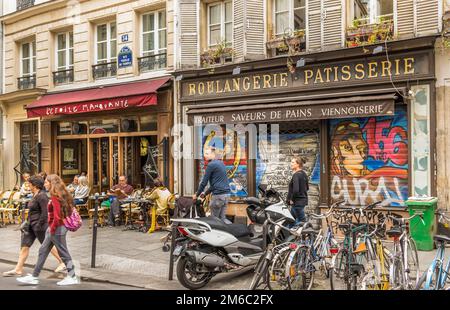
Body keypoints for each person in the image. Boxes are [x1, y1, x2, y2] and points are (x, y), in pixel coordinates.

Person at [17, 175, 79, 286]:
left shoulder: (55, 196)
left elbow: (57, 217)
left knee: (63, 253)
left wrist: (51, 229)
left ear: (52, 183)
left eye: (46, 182)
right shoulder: (62, 194)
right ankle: (34, 276)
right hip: (55, 228)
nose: (44, 184)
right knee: (42, 251)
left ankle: (72, 276)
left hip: (57, 229)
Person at [2, 176, 66, 277]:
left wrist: (38, 225)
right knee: (25, 246)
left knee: (48, 245)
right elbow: (33, 212)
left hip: (39, 226)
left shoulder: (42, 196)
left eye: (29, 184)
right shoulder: (35, 195)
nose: (28, 186)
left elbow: (45, 213)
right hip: (31, 226)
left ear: (35, 185)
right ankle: (18, 269)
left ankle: (62, 262)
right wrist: (28, 223)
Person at [193, 146, 231, 222]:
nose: (205, 155)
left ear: (213, 154)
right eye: (204, 154)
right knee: (222, 219)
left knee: (214, 221)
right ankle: (227, 232)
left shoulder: (211, 165)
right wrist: (205, 194)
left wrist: (196, 195)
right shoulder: (221, 163)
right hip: (226, 196)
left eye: (207, 153)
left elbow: (204, 182)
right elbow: (214, 184)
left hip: (218, 196)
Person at [287, 157, 309, 224]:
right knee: (291, 222)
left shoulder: (296, 175)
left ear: (298, 164)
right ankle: (291, 234)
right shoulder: (304, 174)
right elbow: (307, 188)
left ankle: (308, 233)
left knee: (301, 222)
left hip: (296, 203)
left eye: (293, 162)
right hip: (301, 202)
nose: (291, 164)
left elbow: (296, 190)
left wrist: (291, 200)